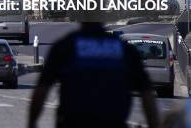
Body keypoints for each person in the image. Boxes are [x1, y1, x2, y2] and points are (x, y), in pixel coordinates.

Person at [28, 19, 159, 128]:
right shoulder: (124, 49)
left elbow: (41, 90)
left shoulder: (65, 46)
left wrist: (32, 122)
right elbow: (147, 94)